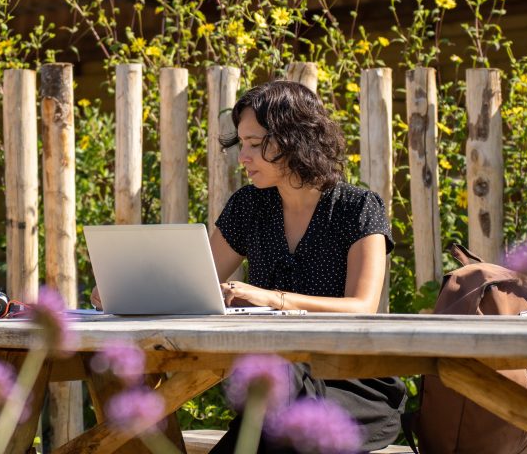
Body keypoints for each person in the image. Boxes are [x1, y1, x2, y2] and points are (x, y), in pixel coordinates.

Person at [91, 80, 406, 452]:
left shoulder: (358, 208)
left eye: (255, 145)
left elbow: (361, 307)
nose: (243, 157)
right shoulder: (249, 205)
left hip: (351, 389)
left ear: (296, 140)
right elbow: (194, 285)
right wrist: (126, 291)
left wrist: (273, 299)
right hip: (277, 390)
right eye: (242, 144)